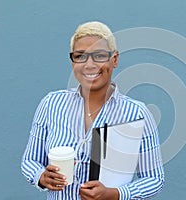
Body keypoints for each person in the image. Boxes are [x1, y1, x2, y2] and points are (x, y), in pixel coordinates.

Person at [21, 21, 164, 200]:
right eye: (80, 56)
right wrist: (41, 177)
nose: (89, 64)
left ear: (115, 59)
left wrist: (115, 194)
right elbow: (30, 161)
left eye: (99, 55)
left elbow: (154, 179)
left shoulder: (137, 114)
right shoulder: (51, 104)